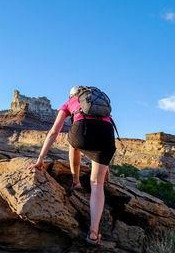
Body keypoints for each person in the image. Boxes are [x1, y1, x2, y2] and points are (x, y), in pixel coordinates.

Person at [28, 86, 116, 245]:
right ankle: (94, 232)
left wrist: (40, 158)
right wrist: (105, 166)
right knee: (97, 184)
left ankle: (76, 182)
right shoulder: (96, 101)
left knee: (73, 142)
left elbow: (54, 132)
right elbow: (102, 127)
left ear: (71, 95)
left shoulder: (69, 103)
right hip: (107, 136)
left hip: (82, 134)